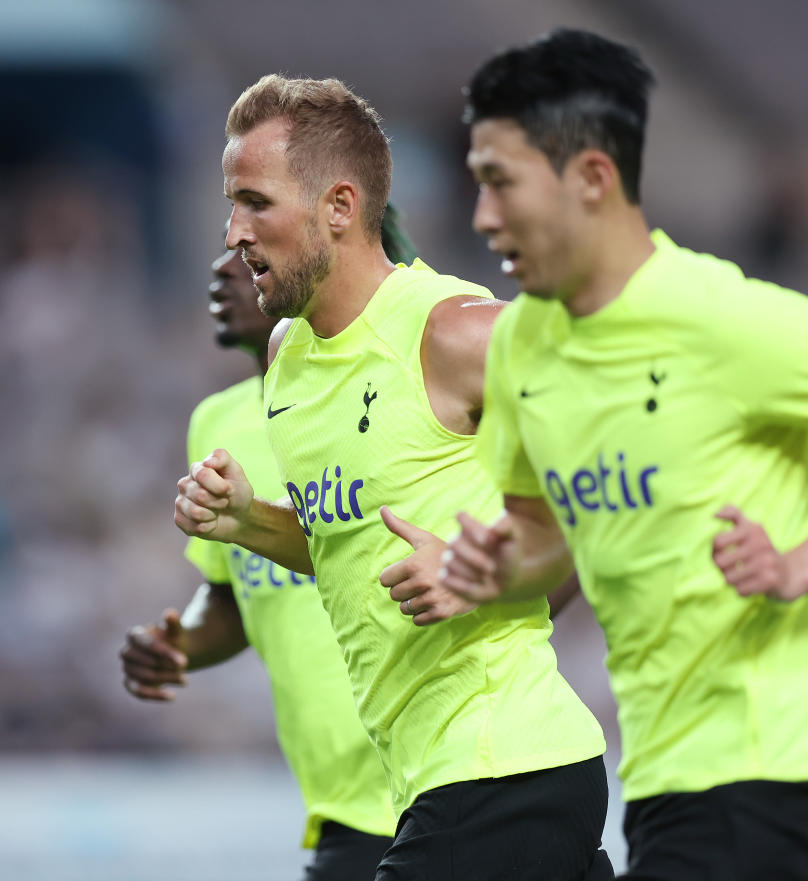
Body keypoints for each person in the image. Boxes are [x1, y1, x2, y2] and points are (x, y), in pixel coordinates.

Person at [436, 28, 808, 881]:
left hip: (772, 763)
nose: (482, 216)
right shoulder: (520, 346)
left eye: (500, 183)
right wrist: (497, 568)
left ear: (593, 178)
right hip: (660, 776)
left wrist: (802, 562)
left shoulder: (727, 319)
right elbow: (541, 537)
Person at [174, 74, 612, 881]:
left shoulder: (453, 329)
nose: (232, 232)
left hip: (503, 765)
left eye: (255, 202)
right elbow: (341, 548)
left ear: (339, 207)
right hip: (429, 778)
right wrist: (247, 520)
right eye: (230, 204)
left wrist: (486, 566)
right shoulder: (289, 360)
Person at [120, 203, 417, 880]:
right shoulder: (218, 424)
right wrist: (182, 641)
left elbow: (523, 540)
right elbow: (235, 591)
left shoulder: (399, 398)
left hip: (433, 784)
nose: (223, 272)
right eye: (227, 255)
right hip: (341, 805)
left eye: (251, 257)